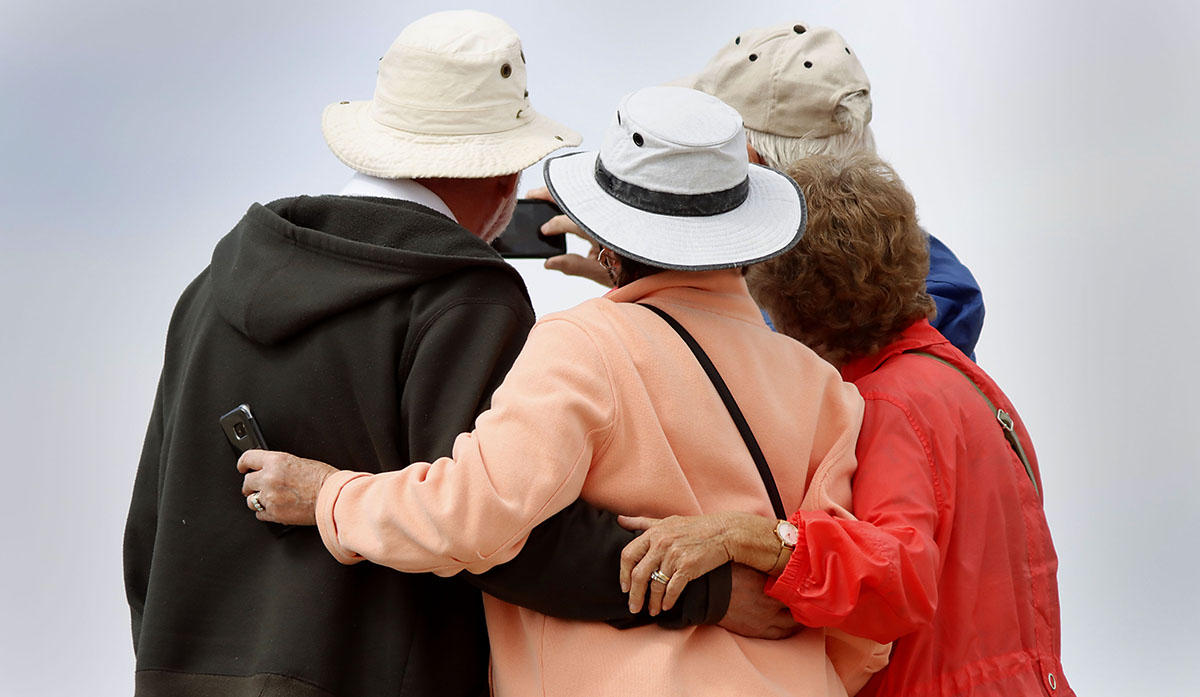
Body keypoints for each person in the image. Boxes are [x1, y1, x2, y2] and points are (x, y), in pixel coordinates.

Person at [122, 13, 741, 697]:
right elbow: (502, 534)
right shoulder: (468, 300)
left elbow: (148, 537)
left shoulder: (209, 290)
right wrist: (708, 588)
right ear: (505, 171)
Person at [240, 86, 884, 697]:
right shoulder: (825, 387)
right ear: (743, 233)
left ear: (603, 236)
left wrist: (329, 496)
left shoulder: (580, 345)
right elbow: (857, 617)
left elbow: (472, 518)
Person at [618, 153, 1073, 697]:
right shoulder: (968, 383)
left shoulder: (883, 405)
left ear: (785, 298)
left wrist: (743, 536)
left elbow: (898, 578)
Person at [535, 21, 986, 359]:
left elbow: (738, 364)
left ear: (749, 159)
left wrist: (658, 274)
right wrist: (650, 269)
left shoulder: (788, 343)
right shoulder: (927, 284)